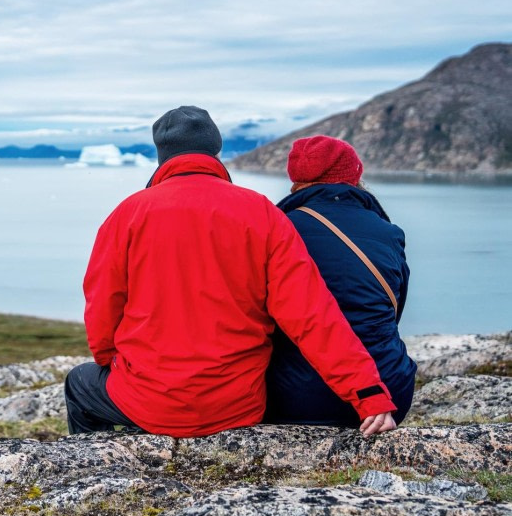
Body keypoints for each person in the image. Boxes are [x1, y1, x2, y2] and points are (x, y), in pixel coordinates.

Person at [64, 106, 399, 439]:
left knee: (79, 383)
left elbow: (102, 305)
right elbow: (311, 315)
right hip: (237, 408)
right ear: (216, 150)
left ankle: (102, 459)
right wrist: (367, 393)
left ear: (161, 156)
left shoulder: (127, 215)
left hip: (148, 402)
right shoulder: (261, 212)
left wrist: (111, 360)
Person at [265, 136, 417, 426]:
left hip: (297, 398)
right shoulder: (388, 231)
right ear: (355, 176)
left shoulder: (279, 228)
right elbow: (395, 309)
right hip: (391, 390)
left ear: (295, 181)